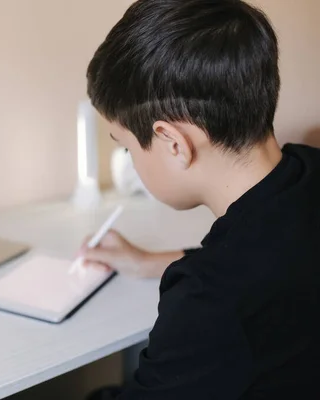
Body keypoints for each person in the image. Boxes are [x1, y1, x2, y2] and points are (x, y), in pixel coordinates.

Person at [81, 0, 320, 398]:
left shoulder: (209, 303)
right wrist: (150, 263)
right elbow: (267, 256)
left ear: (173, 143)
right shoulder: (309, 170)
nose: (131, 161)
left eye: (127, 148)